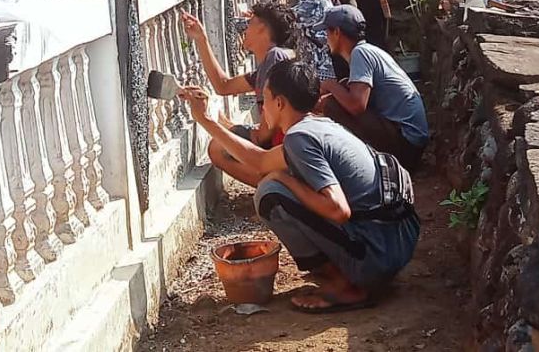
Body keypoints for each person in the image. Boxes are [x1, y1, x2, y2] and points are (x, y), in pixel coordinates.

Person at [180, 60, 420, 313]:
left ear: (280, 103)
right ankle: (351, 272)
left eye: (265, 100)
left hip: (378, 252)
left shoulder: (299, 138)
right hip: (398, 240)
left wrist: (284, 180)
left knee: (270, 194)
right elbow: (260, 161)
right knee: (273, 182)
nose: (263, 109)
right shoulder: (318, 125)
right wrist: (205, 120)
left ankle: (345, 287)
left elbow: (338, 210)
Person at [180, 3, 298, 186]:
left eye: (250, 23)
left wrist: (235, 133)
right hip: (283, 143)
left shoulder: (275, 57)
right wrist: (201, 39)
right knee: (226, 134)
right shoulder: (271, 61)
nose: (245, 28)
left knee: (218, 148)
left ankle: (273, 186)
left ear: (261, 28)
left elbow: (266, 133)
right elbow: (224, 86)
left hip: (285, 146)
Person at [317, 6, 429, 172]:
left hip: (407, 143)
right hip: (411, 141)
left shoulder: (360, 54)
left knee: (331, 105)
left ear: (337, 33)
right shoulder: (370, 51)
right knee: (338, 95)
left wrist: (330, 85)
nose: (326, 37)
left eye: (327, 31)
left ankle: (359, 165)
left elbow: (357, 105)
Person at [273, 0, 336, 81]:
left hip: (321, 74)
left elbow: (281, 21)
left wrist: (242, 23)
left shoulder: (314, 1)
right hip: (313, 70)